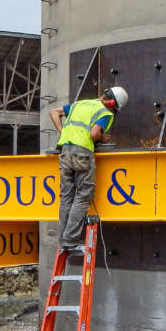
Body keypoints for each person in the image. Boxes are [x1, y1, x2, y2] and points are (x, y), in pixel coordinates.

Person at [49, 86, 128, 251]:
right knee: (84, 195)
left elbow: (53, 112)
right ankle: (69, 239)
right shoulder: (104, 112)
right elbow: (93, 134)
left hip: (65, 152)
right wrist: (103, 138)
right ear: (111, 103)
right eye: (114, 108)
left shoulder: (79, 104)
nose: (113, 111)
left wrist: (64, 133)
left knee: (66, 197)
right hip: (82, 154)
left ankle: (63, 238)